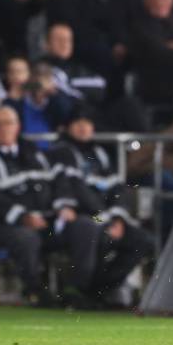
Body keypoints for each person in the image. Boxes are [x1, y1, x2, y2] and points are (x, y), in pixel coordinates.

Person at [0, 106, 100, 306]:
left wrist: (64, 206)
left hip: (48, 220)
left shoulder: (36, 152)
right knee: (25, 238)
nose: (3, 129)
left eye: (8, 123)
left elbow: (59, 181)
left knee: (86, 226)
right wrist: (22, 216)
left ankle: (76, 289)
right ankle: (35, 291)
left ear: (18, 126)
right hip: (4, 225)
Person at [47, 107, 154, 300]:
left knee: (142, 240)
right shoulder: (61, 151)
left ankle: (101, 288)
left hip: (107, 217)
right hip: (80, 215)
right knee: (91, 229)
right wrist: (105, 218)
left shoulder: (100, 153)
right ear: (67, 127)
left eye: (87, 123)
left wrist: (119, 218)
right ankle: (78, 289)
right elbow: (73, 187)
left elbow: (117, 189)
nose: (83, 127)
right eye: (78, 123)